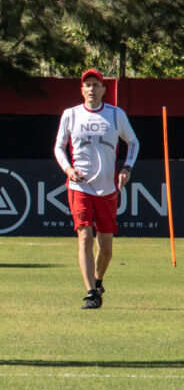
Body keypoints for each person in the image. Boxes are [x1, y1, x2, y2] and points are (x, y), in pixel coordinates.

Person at [53, 69, 139, 309]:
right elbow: (59, 147)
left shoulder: (115, 115)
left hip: (107, 188)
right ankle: (91, 292)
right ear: (82, 90)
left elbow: (133, 142)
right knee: (84, 237)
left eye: (96, 85)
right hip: (79, 186)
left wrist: (127, 168)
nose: (91, 89)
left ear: (103, 90)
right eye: (87, 85)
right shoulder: (71, 115)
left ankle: (98, 280)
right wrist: (68, 169)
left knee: (107, 248)